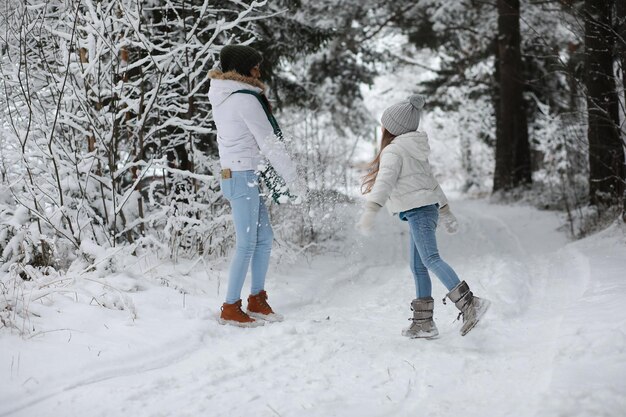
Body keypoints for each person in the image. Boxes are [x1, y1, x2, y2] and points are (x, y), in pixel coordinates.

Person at [356, 94, 490, 338]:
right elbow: (431, 182)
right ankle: (424, 324)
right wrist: (446, 211)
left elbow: (384, 182)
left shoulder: (394, 151)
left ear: (392, 128)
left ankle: (471, 304)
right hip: (424, 209)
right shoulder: (414, 150)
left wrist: (370, 210)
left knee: (430, 259)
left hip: (419, 211)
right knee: (418, 265)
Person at [208, 44, 304, 327]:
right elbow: (270, 145)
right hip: (240, 176)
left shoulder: (229, 95)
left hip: (244, 174)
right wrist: (293, 180)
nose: (258, 70)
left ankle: (256, 299)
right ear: (242, 68)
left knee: (263, 240)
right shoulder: (243, 99)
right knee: (247, 244)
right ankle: (230, 306)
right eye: (254, 65)